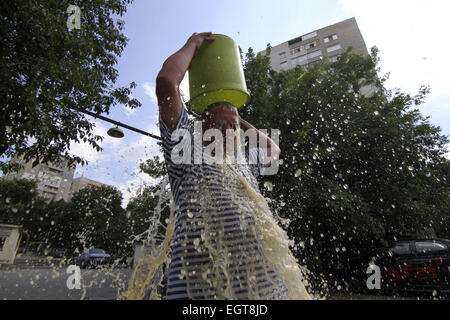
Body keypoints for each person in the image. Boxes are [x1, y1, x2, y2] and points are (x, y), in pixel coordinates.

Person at [156, 32, 307, 300]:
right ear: (202, 131)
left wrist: (240, 119)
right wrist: (192, 46)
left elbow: (274, 149)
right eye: (220, 123)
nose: (228, 129)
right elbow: (167, 83)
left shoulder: (246, 165)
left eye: (233, 126)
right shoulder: (186, 156)